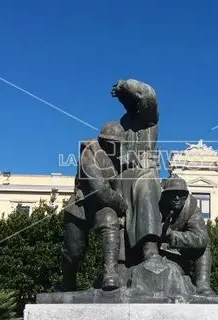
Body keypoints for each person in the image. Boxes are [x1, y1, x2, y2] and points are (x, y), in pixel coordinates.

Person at [60, 121, 128, 291]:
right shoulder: (89, 154)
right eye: (115, 144)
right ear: (105, 142)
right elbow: (101, 191)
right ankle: (68, 282)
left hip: (101, 209)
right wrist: (122, 204)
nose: (118, 149)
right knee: (73, 252)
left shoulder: (117, 162)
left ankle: (110, 274)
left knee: (110, 220)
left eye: (120, 145)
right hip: (80, 209)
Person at [110, 79, 163, 265]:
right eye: (123, 100)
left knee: (146, 186)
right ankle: (119, 260)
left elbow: (150, 96)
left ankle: (150, 246)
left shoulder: (149, 119)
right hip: (123, 175)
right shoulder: (123, 124)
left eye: (128, 98)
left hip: (145, 171)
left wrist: (126, 84)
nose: (125, 103)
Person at [158, 175, 215, 295]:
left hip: (179, 251)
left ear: (186, 195)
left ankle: (202, 285)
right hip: (157, 251)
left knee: (205, 245)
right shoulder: (156, 203)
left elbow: (201, 238)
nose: (177, 198)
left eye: (181, 194)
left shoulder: (191, 207)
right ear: (165, 195)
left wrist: (173, 236)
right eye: (173, 194)